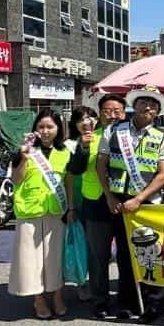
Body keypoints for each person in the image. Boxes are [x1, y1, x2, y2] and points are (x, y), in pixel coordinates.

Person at [96, 85, 164, 324]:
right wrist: (109, 196)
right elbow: (101, 165)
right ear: (134, 105)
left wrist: (139, 198)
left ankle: (154, 304)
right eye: (143, 102)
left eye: (153, 104)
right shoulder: (114, 130)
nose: (147, 107)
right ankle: (127, 303)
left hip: (148, 203)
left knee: (151, 253)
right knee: (124, 254)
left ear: (158, 110)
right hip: (119, 201)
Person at [8, 109, 74, 319]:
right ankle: (38, 299)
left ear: (58, 129)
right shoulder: (25, 150)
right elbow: (16, 180)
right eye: (41, 127)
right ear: (35, 129)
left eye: (50, 127)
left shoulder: (65, 152)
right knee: (30, 259)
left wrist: (71, 208)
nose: (45, 131)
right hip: (29, 211)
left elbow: (68, 183)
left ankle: (57, 296)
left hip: (56, 211)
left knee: (54, 258)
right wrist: (24, 158)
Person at [68, 94, 127, 319]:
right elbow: (75, 169)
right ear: (99, 114)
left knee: (126, 256)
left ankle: (125, 300)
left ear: (124, 113)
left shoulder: (131, 136)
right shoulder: (90, 137)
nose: (112, 115)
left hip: (125, 202)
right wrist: (83, 147)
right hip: (95, 202)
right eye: (107, 111)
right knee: (98, 256)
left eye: (117, 111)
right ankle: (100, 300)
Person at [64, 106, 98, 303]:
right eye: (81, 119)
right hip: (79, 199)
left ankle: (97, 282)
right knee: (81, 243)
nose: (86, 122)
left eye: (90, 117)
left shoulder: (103, 138)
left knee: (97, 245)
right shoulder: (69, 145)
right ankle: (81, 283)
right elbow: (68, 177)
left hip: (100, 197)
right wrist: (71, 207)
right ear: (74, 124)